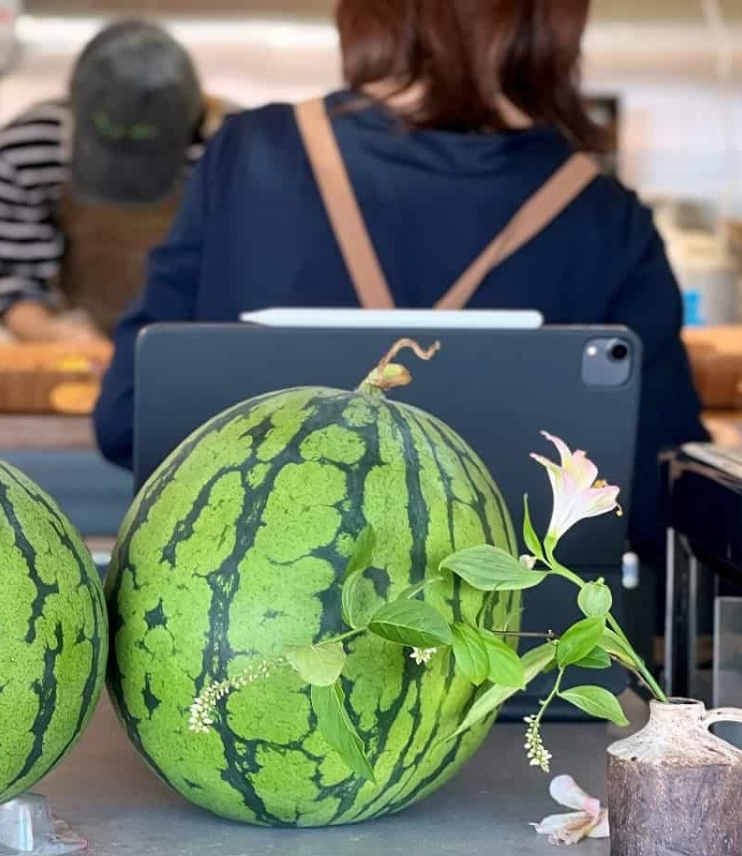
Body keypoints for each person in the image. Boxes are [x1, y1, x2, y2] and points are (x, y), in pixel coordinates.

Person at [93, 0, 709, 563]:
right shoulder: (604, 215)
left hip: (247, 647)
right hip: (523, 660)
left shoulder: (250, 155)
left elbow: (128, 418)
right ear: (556, 19)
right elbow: (658, 503)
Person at [0, 20, 228, 342]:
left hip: (198, 343)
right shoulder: (26, 151)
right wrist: (56, 335)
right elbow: (19, 283)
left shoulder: (230, 151)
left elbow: (253, 281)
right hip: (80, 343)